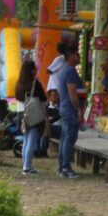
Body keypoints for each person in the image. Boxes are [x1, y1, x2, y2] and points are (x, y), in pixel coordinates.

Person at [47, 43, 84, 179]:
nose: (79, 56)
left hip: (65, 108)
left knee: (64, 138)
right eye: (76, 53)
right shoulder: (70, 71)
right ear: (71, 55)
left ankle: (62, 166)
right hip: (70, 109)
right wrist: (79, 109)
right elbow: (72, 94)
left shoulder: (64, 70)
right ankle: (66, 167)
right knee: (69, 138)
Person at [15, 60, 48, 175]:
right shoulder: (35, 83)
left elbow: (17, 97)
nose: (36, 70)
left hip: (21, 113)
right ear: (31, 70)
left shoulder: (19, 83)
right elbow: (44, 100)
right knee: (31, 140)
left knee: (26, 139)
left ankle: (25, 165)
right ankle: (27, 167)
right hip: (33, 114)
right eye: (35, 68)